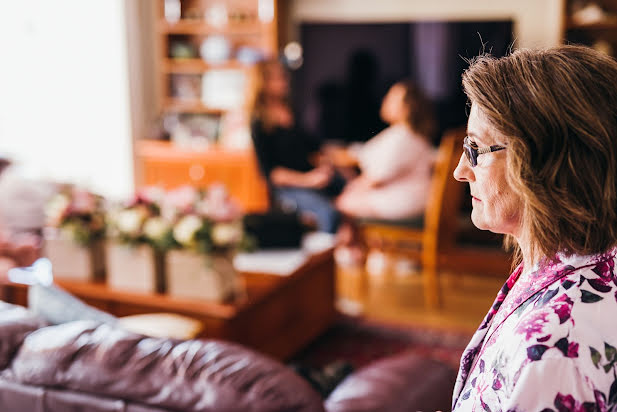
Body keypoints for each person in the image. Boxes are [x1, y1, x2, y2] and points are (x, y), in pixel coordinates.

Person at [451, 45, 617, 410]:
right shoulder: (576, 259)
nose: (460, 172)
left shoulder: (554, 352)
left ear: (544, 163)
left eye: (476, 149)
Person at [250, 59, 343, 233]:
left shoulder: (291, 110)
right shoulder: (260, 123)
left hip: (312, 177)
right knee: (328, 213)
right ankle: (323, 258)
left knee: (349, 189)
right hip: (289, 188)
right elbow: (271, 174)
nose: (285, 81)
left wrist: (324, 164)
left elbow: (312, 148)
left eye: (284, 77)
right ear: (264, 83)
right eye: (279, 78)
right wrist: (309, 180)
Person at [334, 80, 436, 220]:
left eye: (391, 98)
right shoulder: (411, 135)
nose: (385, 100)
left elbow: (377, 178)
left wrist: (350, 189)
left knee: (339, 204)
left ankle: (352, 241)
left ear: (407, 108)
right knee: (346, 198)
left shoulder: (402, 137)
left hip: (404, 202)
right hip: (415, 199)